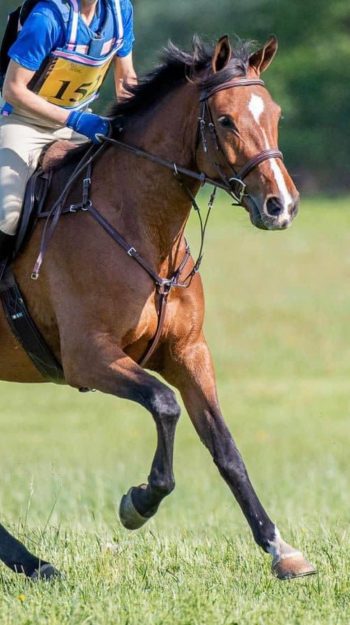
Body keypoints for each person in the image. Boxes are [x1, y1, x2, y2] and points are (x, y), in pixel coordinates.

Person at [0, 0, 136, 261]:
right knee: (8, 216)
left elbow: (126, 78)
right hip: (23, 121)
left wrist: (131, 120)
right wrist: (74, 120)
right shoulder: (47, 18)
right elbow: (13, 89)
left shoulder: (120, 12)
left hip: (78, 118)